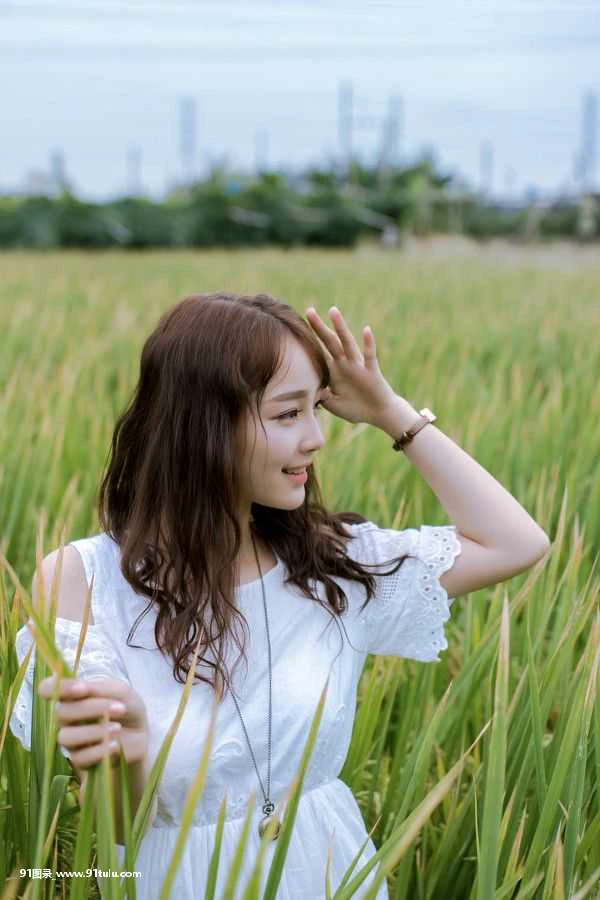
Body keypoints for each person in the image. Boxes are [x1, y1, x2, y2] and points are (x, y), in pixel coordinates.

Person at [9, 292, 551, 899]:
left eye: (316, 408)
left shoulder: (330, 568)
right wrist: (127, 748)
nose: (317, 438)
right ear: (204, 424)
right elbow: (116, 824)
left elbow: (516, 543)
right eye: (288, 414)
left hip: (330, 872)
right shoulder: (86, 581)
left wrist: (391, 412)